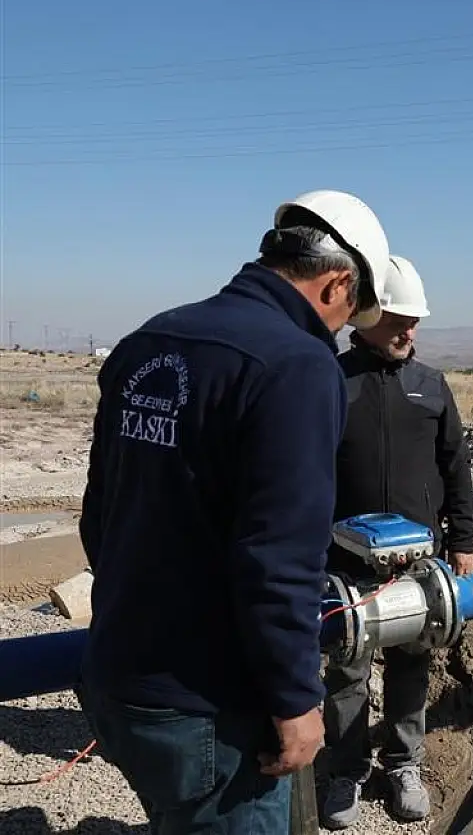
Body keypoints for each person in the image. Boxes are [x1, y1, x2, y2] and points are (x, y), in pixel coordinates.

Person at [76, 190, 397, 834]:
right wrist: (295, 697)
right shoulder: (298, 365)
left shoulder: (152, 337)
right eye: (347, 316)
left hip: (117, 678)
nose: (338, 333)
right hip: (208, 708)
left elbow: (98, 515)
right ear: (337, 283)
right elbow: (279, 555)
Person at [321, 255, 473, 828]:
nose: (407, 331)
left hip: (417, 560)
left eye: (414, 321)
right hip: (344, 560)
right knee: (346, 667)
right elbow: (309, 474)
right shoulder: (333, 382)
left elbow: (456, 469)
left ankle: (403, 763)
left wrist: (462, 539)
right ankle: (345, 770)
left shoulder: (431, 386)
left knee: (412, 663)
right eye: (396, 320)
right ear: (364, 318)